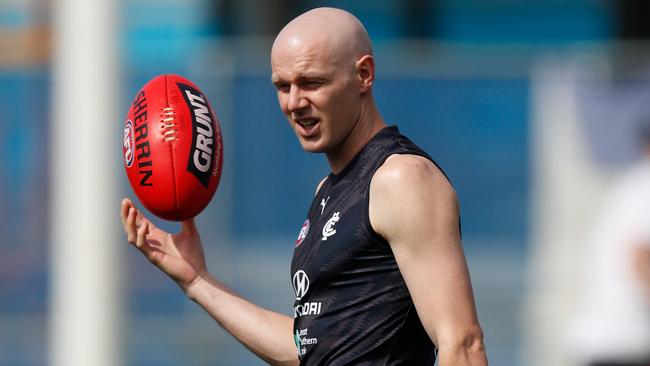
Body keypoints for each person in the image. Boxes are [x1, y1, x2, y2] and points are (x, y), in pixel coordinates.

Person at [121, 7, 487, 365]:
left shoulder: (400, 179)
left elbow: (462, 343)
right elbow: (307, 348)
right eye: (282, 86)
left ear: (364, 75)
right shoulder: (328, 191)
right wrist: (197, 281)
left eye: (311, 82)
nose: (294, 102)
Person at [566, 123, 650, 366]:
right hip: (626, 340)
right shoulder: (643, 186)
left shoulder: (631, 185)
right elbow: (641, 257)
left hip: (615, 339)